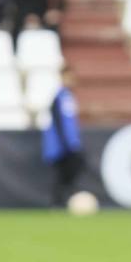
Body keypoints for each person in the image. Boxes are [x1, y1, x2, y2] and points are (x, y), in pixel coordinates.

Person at [42, 66, 83, 206]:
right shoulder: (58, 97)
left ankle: (65, 201)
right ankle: (57, 204)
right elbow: (59, 122)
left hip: (70, 143)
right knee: (61, 176)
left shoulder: (68, 96)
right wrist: (67, 144)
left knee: (70, 174)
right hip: (61, 145)